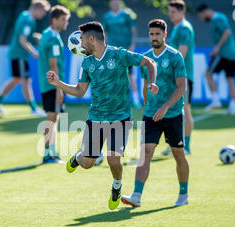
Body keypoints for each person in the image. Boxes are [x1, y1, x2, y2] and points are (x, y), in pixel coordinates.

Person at [46, 22, 158, 210]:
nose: (80, 45)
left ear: (91, 39)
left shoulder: (119, 54)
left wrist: (152, 83)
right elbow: (80, 90)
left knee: (113, 159)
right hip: (96, 117)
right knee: (87, 164)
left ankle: (117, 185)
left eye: (81, 40)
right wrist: (59, 83)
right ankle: (79, 156)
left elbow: (149, 62)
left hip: (121, 117)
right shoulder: (87, 62)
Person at [121, 19, 189, 209]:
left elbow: (182, 87)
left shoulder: (175, 57)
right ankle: (136, 195)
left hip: (173, 113)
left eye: (158, 34)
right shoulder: (146, 58)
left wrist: (165, 107)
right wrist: (147, 107)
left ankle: (183, 194)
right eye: (151, 34)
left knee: (178, 154)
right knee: (145, 153)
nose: (154, 37)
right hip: (151, 115)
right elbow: (145, 87)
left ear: (165, 35)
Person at [0, 0, 50, 116]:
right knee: (26, 81)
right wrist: (34, 52)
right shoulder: (28, 20)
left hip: (17, 54)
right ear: (36, 8)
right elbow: (22, 40)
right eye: (43, 11)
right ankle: (33, 109)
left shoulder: (25, 15)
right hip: (19, 55)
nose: (44, 14)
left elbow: (23, 35)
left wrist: (34, 37)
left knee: (17, 79)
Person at [38, 5, 70, 164]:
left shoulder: (46, 34)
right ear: (54, 20)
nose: (66, 22)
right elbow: (54, 65)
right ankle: (48, 154)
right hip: (52, 85)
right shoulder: (53, 38)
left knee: (53, 118)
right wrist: (59, 89)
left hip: (48, 84)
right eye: (63, 19)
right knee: (51, 118)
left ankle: (52, 152)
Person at [162, 0, 194, 156]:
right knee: (172, 110)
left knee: (185, 110)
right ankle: (173, 144)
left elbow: (181, 55)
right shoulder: (177, 28)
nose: (170, 14)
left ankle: (186, 147)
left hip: (183, 76)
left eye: (173, 11)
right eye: (169, 11)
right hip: (174, 76)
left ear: (182, 12)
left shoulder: (185, 29)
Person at [196, 3, 235, 116]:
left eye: (200, 16)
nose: (201, 19)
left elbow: (227, 32)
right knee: (230, 79)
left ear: (204, 12)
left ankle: (216, 101)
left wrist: (217, 47)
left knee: (208, 73)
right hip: (233, 53)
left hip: (223, 54)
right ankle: (233, 106)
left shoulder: (217, 18)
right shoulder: (221, 17)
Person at [102, 0, 141, 109]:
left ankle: (136, 101)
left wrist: (133, 45)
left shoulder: (127, 15)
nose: (115, 3)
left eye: (117, 2)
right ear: (109, 3)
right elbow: (105, 34)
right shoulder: (106, 17)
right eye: (113, 2)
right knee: (112, 75)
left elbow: (134, 30)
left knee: (130, 76)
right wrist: (104, 48)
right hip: (112, 52)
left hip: (126, 51)